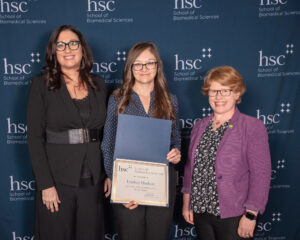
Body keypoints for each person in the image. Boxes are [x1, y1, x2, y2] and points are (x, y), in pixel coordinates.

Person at [27, 25, 109, 240]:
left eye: (73, 43)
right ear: (53, 52)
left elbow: (109, 133)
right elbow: (35, 138)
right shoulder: (40, 85)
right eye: (60, 45)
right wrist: (46, 185)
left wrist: (109, 173)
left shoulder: (99, 84)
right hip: (57, 179)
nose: (67, 49)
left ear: (82, 49)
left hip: (94, 180)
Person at [101, 41, 181, 240]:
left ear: (157, 66)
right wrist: (118, 184)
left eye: (149, 63)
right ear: (130, 67)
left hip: (161, 181)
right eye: (138, 64)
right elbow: (108, 143)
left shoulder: (171, 100)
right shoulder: (117, 98)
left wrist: (177, 152)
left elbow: (176, 139)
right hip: (128, 180)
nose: (144, 69)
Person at [182, 66, 271, 240]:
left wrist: (251, 215)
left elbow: (261, 174)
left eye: (225, 91)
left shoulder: (251, 127)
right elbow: (189, 169)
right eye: (214, 91)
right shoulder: (200, 126)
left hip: (235, 215)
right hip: (201, 213)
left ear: (237, 93)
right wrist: (187, 205)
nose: (218, 97)